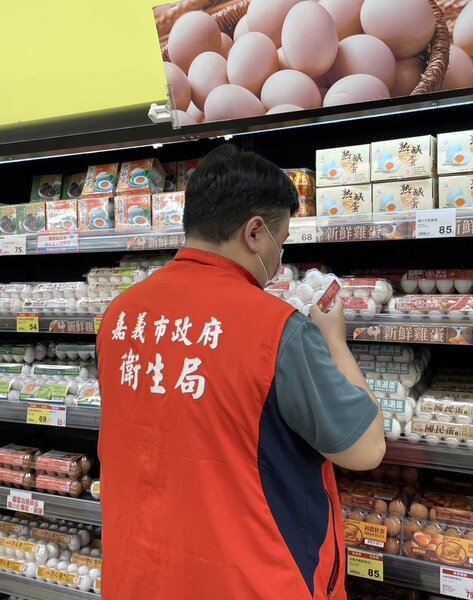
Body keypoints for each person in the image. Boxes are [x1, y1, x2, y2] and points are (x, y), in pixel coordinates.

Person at [97, 144, 385, 600]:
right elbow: (365, 449)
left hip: (141, 574)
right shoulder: (277, 330)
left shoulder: (121, 315)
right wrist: (333, 340)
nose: (281, 254)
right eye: (282, 240)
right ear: (255, 233)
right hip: (251, 580)